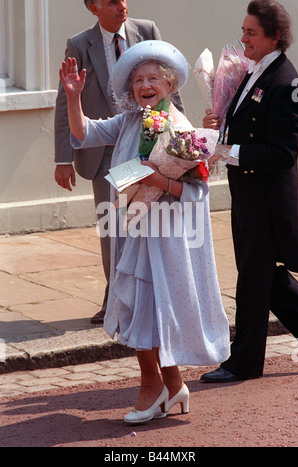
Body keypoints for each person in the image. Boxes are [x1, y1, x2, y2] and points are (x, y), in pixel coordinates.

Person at [59, 40, 230, 423]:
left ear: (168, 85)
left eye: (153, 78)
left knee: (148, 310)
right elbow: (84, 133)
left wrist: (159, 179)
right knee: (141, 308)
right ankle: (174, 388)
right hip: (133, 231)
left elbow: (197, 193)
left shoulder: (183, 130)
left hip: (166, 238)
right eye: (138, 79)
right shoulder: (129, 121)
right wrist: (73, 97)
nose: (145, 85)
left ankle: (151, 387)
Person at [201, 0, 298, 383]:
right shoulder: (252, 71)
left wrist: (226, 151)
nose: (244, 38)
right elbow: (243, 126)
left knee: (253, 281)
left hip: (268, 201)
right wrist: (217, 126)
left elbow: (283, 152)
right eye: (243, 31)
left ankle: (242, 363)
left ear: (274, 37)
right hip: (247, 195)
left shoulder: (287, 81)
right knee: (263, 277)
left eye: (251, 33)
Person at [54, 0, 164, 325]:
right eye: (113, 1)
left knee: (145, 224)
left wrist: (177, 130)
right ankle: (113, 293)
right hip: (104, 153)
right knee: (111, 226)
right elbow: (67, 104)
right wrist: (63, 157)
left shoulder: (147, 31)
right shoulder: (79, 44)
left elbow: (167, 89)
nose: (122, 5)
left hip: (147, 149)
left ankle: (144, 292)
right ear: (93, 7)